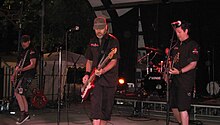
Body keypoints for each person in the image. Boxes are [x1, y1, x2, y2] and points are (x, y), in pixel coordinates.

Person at [82, 16, 120, 125]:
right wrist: (87, 74)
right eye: (97, 28)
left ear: (106, 27)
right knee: (95, 110)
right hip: (96, 81)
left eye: (101, 28)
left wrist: (103, 71)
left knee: (105, 111)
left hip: (109, 80)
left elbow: (113, 61)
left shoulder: (113, 41)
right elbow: (89, 60)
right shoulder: (92, 41)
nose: (99, 31)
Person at [169, 20, 199, 125]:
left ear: (186, 31)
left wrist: (180, 71)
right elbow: (172, 60)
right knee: (173, 106)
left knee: (183, 108)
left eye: (179, 32)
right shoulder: (176, 45)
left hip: (185, 81)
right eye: (176, 32)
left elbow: (193, 64)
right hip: (175, 79)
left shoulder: (192, 45)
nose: (177, 35)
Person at [11, 35, 38, 125]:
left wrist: (21, 70)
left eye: (25, 42)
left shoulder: (32, 51)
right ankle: (26, 114)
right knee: (21, 94)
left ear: (29, 41)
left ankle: (23, 114)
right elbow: (18, 65)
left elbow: (33, 64)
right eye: (22, 42)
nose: (23, 44)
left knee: (17, 93)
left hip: (28, 75)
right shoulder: (22, 52)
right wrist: (13, 74)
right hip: (22, 75)